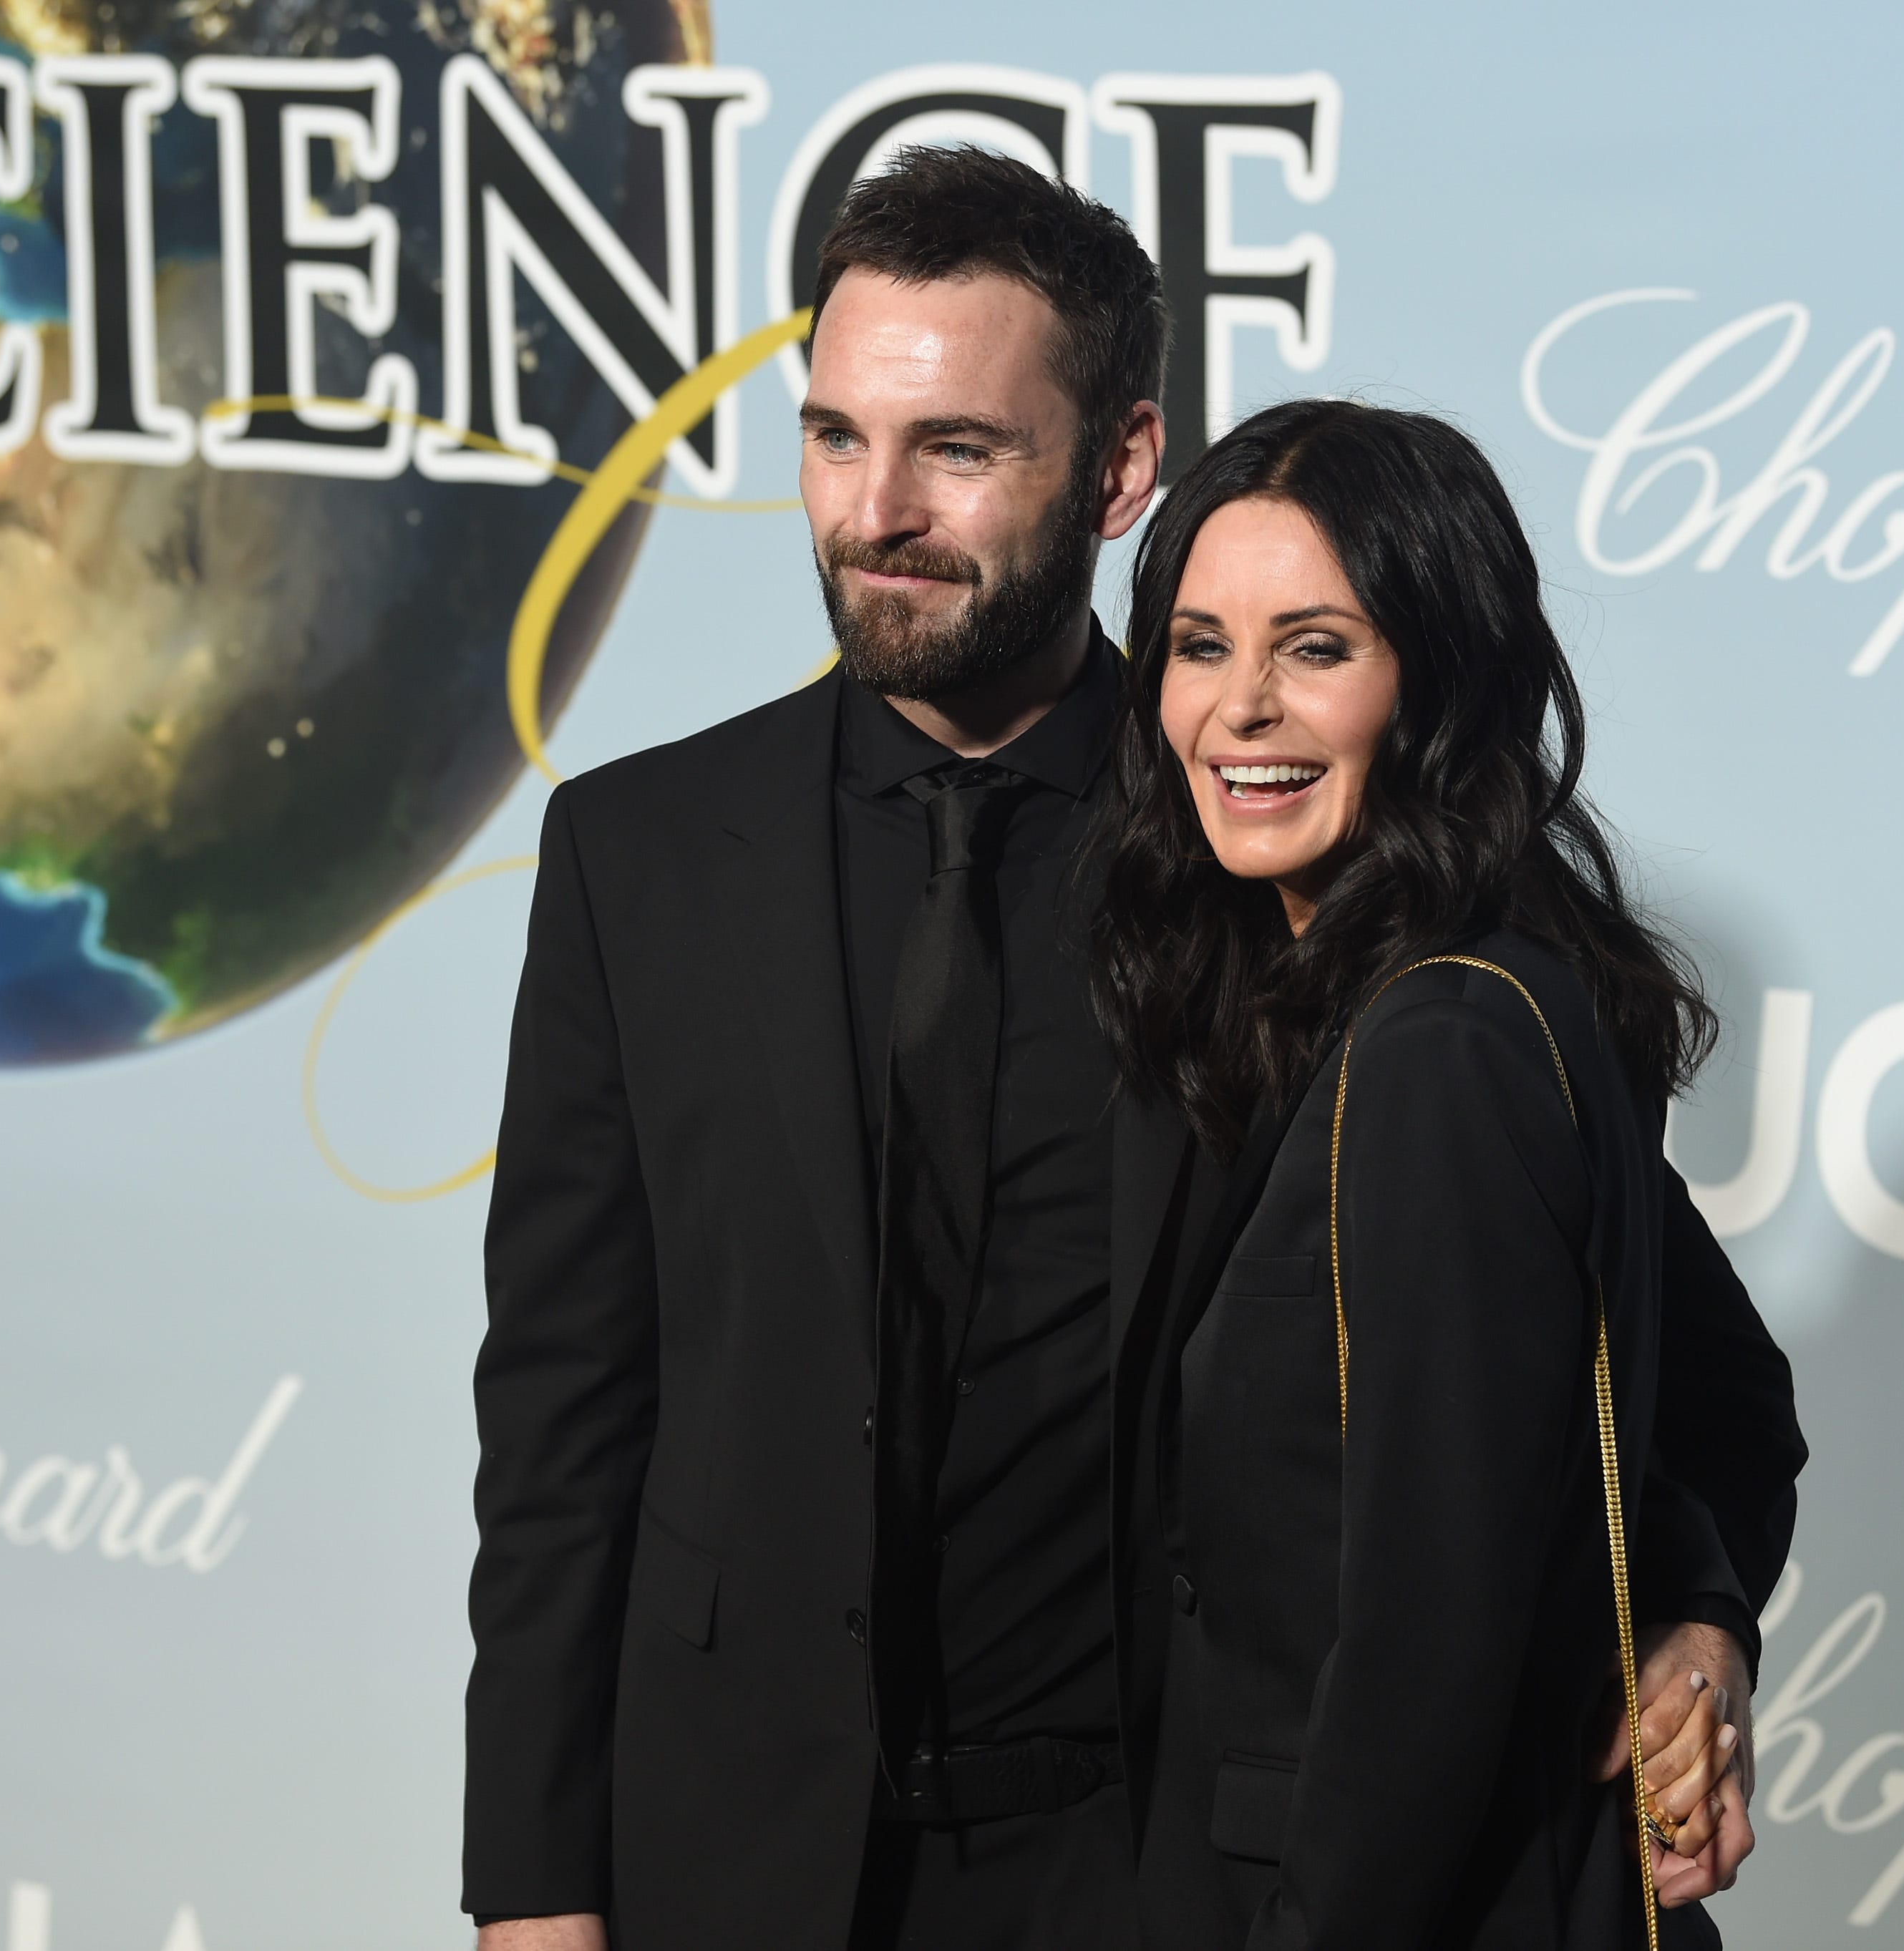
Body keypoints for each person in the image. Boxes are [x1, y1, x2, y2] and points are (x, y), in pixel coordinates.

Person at [463, 149, 1797, 1951]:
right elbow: (561, 1429)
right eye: (836, 437)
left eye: (956, 449)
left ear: (1116, 467)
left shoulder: (1275, 840)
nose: (878, 512)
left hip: (1142, 1876)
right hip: (730, 1853)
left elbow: (1673, 1373)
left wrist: (1690, 1628)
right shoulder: (639, 855)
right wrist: (534, 1890)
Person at [1090, 396, 1799, 1948]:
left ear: (1439, 680)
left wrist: (1695, 1632)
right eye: (1199, 646)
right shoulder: (1396, 1003)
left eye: (1316, 648)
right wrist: (1700, 1626)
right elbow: (1735, 1404)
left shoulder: (1446, 1050)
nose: (1240, 709)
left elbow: (1420, 1666)